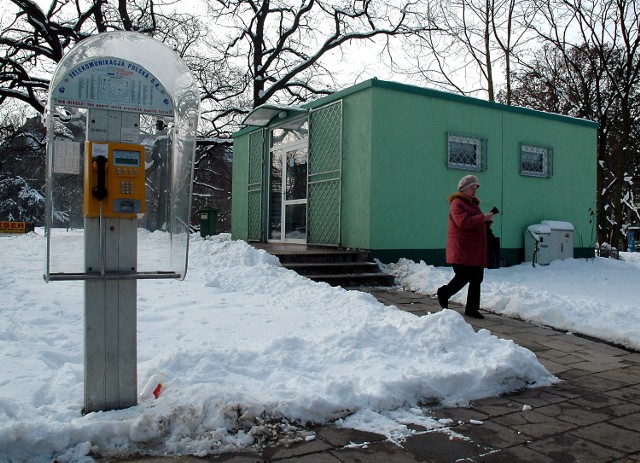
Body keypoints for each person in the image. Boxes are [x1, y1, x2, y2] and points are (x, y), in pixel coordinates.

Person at [437, 175, 494, 319]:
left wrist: (486, 223)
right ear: (463, 189)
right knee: (463, 276)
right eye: (471, 188)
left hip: (473, 249)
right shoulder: (457, 204)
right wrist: (483, 218)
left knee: (477, 278)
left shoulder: (473, 205)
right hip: (461, 248)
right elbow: (464, 222)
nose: (474, 191)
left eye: (476, 188)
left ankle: (472, 309)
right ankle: (444, 293)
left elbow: (474, 222)